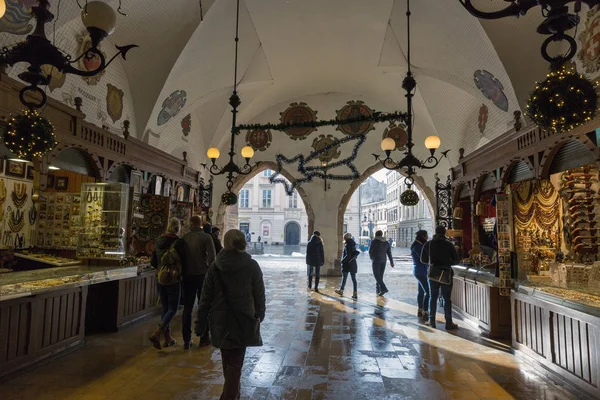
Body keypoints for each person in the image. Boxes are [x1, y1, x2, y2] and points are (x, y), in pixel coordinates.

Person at [194, 229, 266, 400]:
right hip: (243, 318)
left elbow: (205, 297)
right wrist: (259, 313)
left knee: (228, 360)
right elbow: (259, 293)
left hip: (220, 320)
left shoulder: (215, 266)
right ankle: (230, 396)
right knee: (235, 363)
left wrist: (200, 322)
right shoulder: (251, 265)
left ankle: (231, 395)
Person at [149, 218, 188, 349]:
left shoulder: (159, 240)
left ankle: (168, 338)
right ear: (178, 229)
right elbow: (185, 261)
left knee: (165, 308)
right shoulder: (179, 243)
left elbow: (153, 261)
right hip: (173, 278)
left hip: (160, 277)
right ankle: (158, 332)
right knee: (173, 308)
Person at [181, 215, 216, 349]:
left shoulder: (185, 238)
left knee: (188, 308)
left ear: (190, 224)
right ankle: (204, 337)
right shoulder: (206, 237)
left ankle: (186, 340)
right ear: (201, 224)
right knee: (204, 306)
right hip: (203, 275)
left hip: (187, 276)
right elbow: (212, 258)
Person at [420, 225, 459, 330]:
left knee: (433, 297)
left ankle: (432, 321)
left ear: (435, 232)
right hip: (446, 273)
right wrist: (446, 262)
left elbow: (422, 260)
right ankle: (449, 323)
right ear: (445, 233)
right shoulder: (449, 245)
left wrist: (432, 263)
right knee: (447, 299)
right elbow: (456, 261)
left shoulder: (428, 244)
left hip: (433, 273)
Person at [411, 230, 429, 322]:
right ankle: (426, 312)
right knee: (428, 292)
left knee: (421, 291)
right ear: (423, 236)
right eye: (426, 236)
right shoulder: (418, 246)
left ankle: (420, 309)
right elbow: (424, 259)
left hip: (419, 271)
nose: (427, 238)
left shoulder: (417, 244)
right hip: (421, 271)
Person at [369, 230, 394, 296]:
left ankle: (383, 288)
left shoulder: (374, 242)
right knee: (380, 276)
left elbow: (370, 251)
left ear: (376, 235)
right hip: (383, 261)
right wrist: (391, 262)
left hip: (376, 260)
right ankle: (378, 290)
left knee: (376, 275)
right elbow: (389, 253)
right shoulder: (386, 242)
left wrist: (372, 258)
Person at [335, 233, 359, 299]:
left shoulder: (347, 245)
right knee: (354, 279)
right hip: (353, 263)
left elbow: (348, 255)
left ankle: (341, 290)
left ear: (345, 238)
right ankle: (355, 293)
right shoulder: (353, 244)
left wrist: (342, 261)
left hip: (347, 264)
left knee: (344, 278)